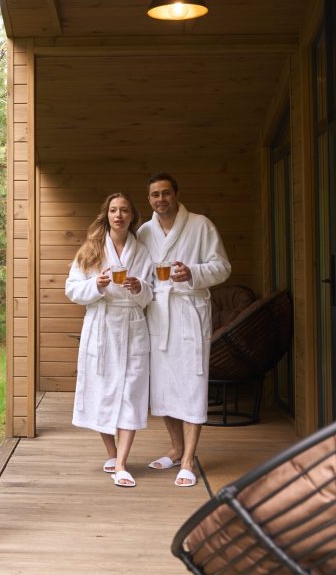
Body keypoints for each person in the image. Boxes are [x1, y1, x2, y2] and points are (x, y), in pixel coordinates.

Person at [138, 173, 231, 487]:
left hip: (189, 313)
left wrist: (192, 272)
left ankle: (189, 460)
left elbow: (222, 267)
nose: (160, 199)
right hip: (159, 315)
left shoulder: (201, 225)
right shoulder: (145, 232)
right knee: (163, 386)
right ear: (149, 199)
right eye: (154, 195)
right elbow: (140, 275)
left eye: (165, 193)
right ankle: (176, 449)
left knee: (192, 384)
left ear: (176, 194)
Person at [66, 192, 153, 488]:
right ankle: (112, 453)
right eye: (114, 210)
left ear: (132, 216)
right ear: (107, 214)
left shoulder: (141, 251)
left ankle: (121, 464)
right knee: (101, 391)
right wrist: (96, 284)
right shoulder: (90, 250)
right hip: (101, 326)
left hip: (131, 326)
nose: (119, 215)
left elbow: (149, 294)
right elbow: (72, 290)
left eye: (124, 210)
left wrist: (139, 286)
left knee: (131, 392)